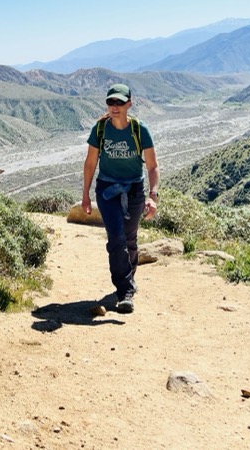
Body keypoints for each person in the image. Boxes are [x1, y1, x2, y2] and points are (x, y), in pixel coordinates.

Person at [81, 83, 159, 313]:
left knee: (130, 239)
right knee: (116, 236)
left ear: (129, 104)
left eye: (119, 102)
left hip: (134, 190)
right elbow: (90, 163)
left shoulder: (139, 130)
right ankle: (124, 290)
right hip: (107, 191)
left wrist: (153, 195)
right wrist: (85, 195)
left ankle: (128, 280)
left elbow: (153, 166)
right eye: (111, 102)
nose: (114, 106)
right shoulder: (100, 129)